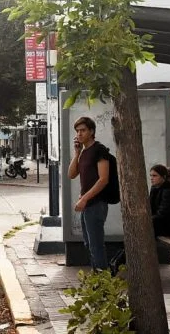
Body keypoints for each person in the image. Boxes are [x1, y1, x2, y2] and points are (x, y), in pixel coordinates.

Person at [68, 116, 110, 271]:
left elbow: (103, 179)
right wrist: (77, 153)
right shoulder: (84, 152)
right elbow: (71, 174)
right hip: (87, 205)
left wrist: (84, 198)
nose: (79, 134)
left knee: (96, 245)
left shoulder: (99, 150)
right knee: (89, 243)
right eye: (77, 131)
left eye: (83, 130)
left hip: (97, 204)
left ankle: (103, 282)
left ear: (91, 131)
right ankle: (97, 277)